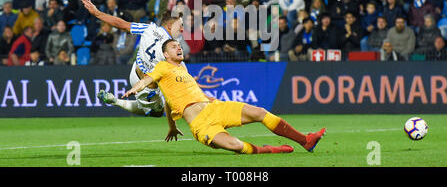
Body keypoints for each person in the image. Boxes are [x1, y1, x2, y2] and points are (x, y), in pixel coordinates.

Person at [123, 39, 326, 154]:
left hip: (215, 108)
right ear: (166, 55)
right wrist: (136, 88)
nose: (179, 47)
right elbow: (147, 80)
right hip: (202, 125)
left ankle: (305, 140)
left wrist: (172, 125)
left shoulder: (182, 71)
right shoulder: (161, 67)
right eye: (174, 47)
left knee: (260, 112)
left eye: (179, 45)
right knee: (238, 147)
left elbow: (169, 102)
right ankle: (272, 150)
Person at [82, 0, 184, 118]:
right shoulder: (172, 47)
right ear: (170, 26)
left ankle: (119, 100)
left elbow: (121, 24)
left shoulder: (149, 28)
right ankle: (116, 101)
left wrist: (98, 13)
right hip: (146, 84)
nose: (182, 29)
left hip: (135, 71)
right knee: (158, 112)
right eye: (180, 26)